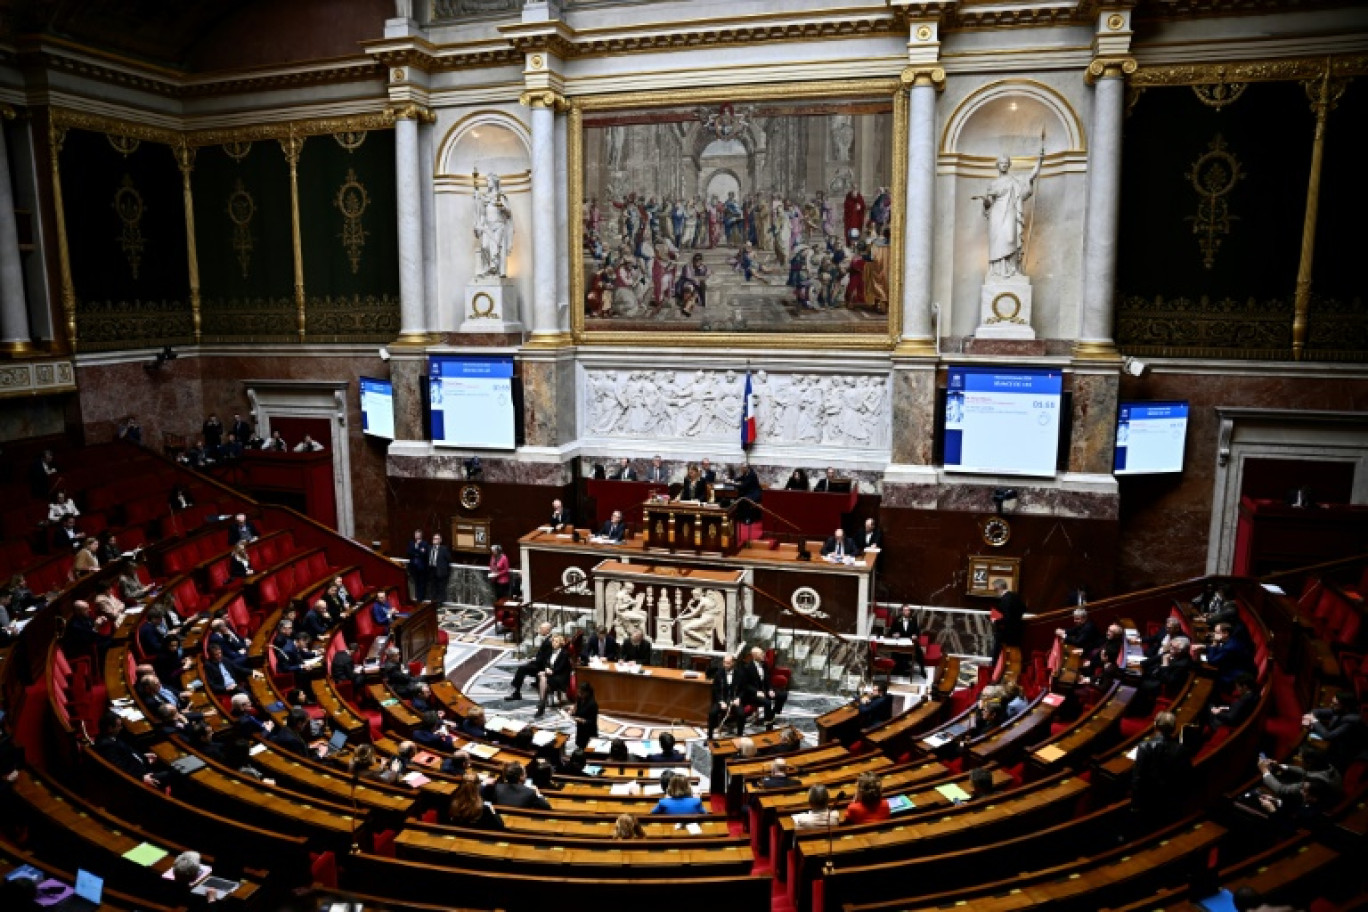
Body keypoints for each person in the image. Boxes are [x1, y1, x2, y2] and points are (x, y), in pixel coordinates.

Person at [980, 147, 1043, 279]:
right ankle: (998, 270)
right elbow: (988, 205)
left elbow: (1032, 176)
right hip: (996, 215)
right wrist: (986, 202)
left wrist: (1040, 160)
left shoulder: (1015, 181)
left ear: (1009, 165)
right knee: (997, 242)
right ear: (998, 165)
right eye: (1001, 163)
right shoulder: (993, 184)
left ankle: (1012, 270)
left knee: (1010, 238)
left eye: (1006, 163)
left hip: (1009, 212)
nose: (1003, 165)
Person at [1130, 712, 1192, 830]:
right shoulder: (1181, 750)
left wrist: (1135, 805)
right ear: (1174, 729)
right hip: (1170, 802)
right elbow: (1186, 778)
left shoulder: (1144, 747)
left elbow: (1137, 778)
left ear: (1155, 726)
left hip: (1148, 801)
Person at [93, 711, 169, 788]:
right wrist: (141, 777)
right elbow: (119, 769)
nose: (121, 728)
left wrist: (143, 756)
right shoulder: (106, 746)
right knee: (172, 775)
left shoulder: (112, 737)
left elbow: (128, 752)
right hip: (139, 778)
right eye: (119, 726)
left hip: (143, 766)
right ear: (110, 728)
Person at [1301, 691, 1366, 772]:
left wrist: (1314, 721)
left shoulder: (1351, 721)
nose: (1331, 705)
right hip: (1333, 750)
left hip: (1342, 759)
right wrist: (1309, 718)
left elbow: (1328, 736)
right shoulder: (1339, 710)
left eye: (1335, 704)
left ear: (1345, 707)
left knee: (1309, 752)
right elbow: (1316, 711)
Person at [509, 622, 553, 700]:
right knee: (527, 664)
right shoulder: (548, 639)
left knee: (522, 669)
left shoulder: (548, 642)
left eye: (541, 629)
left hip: (541, 666)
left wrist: (535, 660)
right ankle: (534, 683)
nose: (540, 630)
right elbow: (542, 654)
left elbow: (545, 658)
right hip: (540, 663)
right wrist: (534, 659)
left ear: (547, 630)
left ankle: (517, 692)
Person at [744, 647, 786, 727]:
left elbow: (767, 680)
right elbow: (746, 685)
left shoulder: (764, 665)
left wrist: (770, 690)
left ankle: (772, 714)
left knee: (783, 694)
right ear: (754, 656)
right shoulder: (747, 668)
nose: (763, 655)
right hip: (754, 694)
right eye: (761, 654)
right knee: (767, 702)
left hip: (765, 691)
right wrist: (756, 692)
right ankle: (768, 722)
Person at [483, 761, 552, 810]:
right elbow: (547, 807)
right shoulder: (530, 792)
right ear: (521, 777)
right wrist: (538, 793)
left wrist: (484, 784)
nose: (526, 775)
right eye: (525, 773)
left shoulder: (496, 788)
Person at [708, 654, 744, 741]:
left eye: (728, 663)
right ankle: (710, 736)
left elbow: (743, 689)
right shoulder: (718, 673)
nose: (726, 665)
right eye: (724, 663)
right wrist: (721, 701)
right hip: (722, 699)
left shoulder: (740, 674)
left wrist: (738, 698)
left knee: (741, 714)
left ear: (733, 663)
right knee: (712, 713)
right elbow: (715, 690)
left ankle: (739, 736)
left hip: (734, 699)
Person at [534, 633, 571, 718]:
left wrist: (549, 672)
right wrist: (546, 670)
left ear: (561, 643)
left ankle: (541, 704)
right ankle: (542, 703)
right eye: (553, 641)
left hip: (561, 677)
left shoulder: (564, 653)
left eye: (556, 642)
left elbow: (560, 668)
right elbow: (547, 663)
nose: (554, 643)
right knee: (542, 678)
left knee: (543, 679)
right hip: (552, 675)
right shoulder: (551, 652)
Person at [989, 578, 1026, 664]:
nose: (995, 591)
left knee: (998, 655)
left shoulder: (1004, 600)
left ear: (999, 588)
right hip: (1017, 630)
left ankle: (994, 671)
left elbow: (1006, 618)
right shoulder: (1015, 596)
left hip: (1005, 632)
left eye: (995, 589)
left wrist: (995, 620)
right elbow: (1024, 608)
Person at [887, 605, 924, 676]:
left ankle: (922, 670)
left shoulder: (913, 620)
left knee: (919, 652)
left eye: (908, 610)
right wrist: (894, 634)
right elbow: (891, 631)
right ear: (902, 611)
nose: (907, 612)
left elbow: (917, 631)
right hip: (900, 642)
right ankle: (898, 669)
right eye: (905, 610)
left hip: (911, 642)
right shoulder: (897, 620)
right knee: (897, 653)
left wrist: (915, 635)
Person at [572, 681, 598, 749]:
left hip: (589, 732)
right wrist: (573, 711)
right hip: (580, 730)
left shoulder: (593, 704)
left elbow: (592, 722)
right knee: (579, 747)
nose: (579, 694)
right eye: (579, 692)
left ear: (587, 693)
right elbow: (577, 712)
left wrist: (582, 720)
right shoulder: (580, 699)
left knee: (588, 750)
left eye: (581, 693)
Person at [406, 529, 429, 603]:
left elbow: (424, 554)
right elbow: (409, 552)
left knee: (421, 583)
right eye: (415, 534)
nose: (416, 535)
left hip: (422, 567)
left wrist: (416, 549)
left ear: (421, 535)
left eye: (418, 534)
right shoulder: (411, 543)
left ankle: (420, 599)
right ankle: (416, 598)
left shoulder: (424, 543)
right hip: (413, 567)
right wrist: (418, 551)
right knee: (415, 583)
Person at [427, 533, 451, 603]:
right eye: (434, 538)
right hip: (432, 570)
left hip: (440, 571)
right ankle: (433, 602)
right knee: (432, 587)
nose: (434, 540)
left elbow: (449, 559)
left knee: (441, 588)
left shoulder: (444, 549)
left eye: (436, 539)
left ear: (440, 540)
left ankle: (440, 602)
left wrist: (444, 568)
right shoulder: (429, 548)